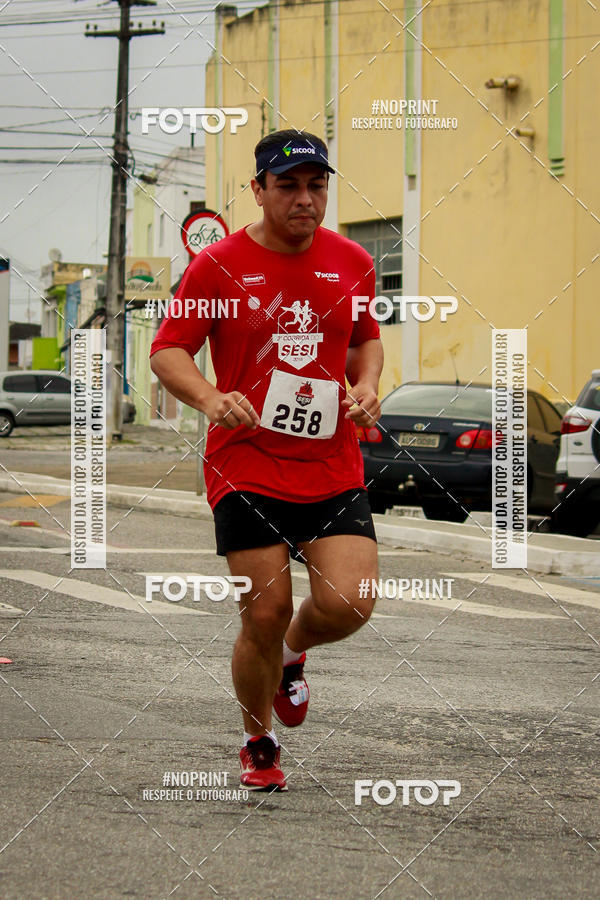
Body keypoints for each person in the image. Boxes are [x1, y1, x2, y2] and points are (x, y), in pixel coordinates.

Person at [150, 128, 383, 792]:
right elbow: (168, 350)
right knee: (264, 609)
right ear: (258, 190)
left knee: (351, 603)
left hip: (330, 463)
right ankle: (259, 741)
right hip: (246, 462)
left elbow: (364, 342)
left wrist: (367, 386)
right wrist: (210, 397)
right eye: (288, 186)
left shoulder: (352, 261)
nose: (305, 199)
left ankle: (291, 656)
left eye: (316, 186)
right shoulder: (217, 265)